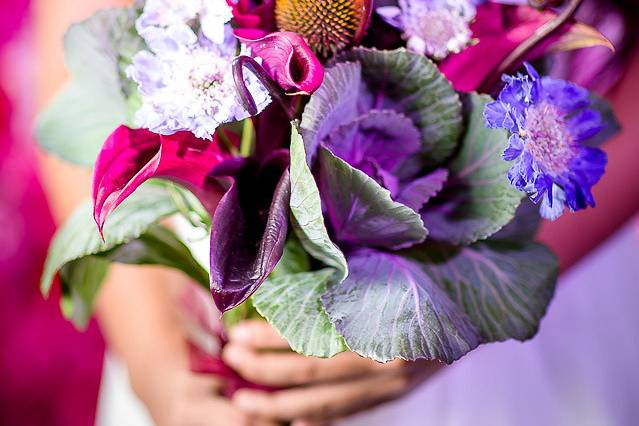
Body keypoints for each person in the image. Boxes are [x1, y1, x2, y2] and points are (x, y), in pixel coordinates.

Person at [37, 1, 639, 425]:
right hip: (188, 298)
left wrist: (462, 311)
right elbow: (76, 33)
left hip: (536, 244)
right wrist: (156, 356)